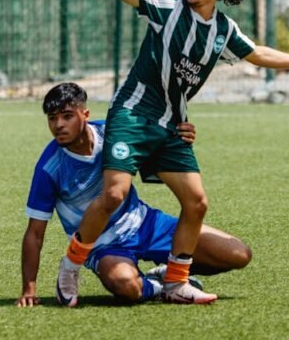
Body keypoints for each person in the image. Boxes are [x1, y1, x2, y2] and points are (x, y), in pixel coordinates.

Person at [55, 0, 289, 306]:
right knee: (115, 195)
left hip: (171, 127)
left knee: (197, 202)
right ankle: (71, 265)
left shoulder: (223, 30)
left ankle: (175, 281)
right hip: (133, 115)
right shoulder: (166, 7)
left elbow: (257, 53)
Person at [18, 83, 251, 307]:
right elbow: (35, 233)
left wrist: (179, 136)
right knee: (126, 285)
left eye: (67, 116)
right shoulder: (49, 168)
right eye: (52, 118)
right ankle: (160, 285)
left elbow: (158, 144)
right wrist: (29, 289)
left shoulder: (114, 135)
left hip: (145, 223)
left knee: (238, 254)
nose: (58, 124)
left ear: (85, 114)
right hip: (102, 247)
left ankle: (168, 270)